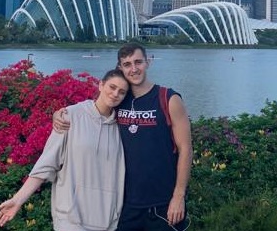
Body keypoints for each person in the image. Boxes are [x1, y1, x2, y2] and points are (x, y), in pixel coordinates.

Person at [54, 43, 193, 231]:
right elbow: (90, 111)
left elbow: (185, 149)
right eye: (127, 64)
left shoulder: (168, 98)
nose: (133, 69)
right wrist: (61, 113)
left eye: (138, 62)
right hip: (125, 205)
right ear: (120, 68)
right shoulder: (118, 100)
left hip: (163, 204)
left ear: (148, 62)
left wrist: (179, 196)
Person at [0, 68, 129, 230]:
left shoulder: (121, 127)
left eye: (121, 92)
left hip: (106, 221)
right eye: (112, 87)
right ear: (101, 85)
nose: (115, 94)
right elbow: (47, 163)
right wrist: (18, 199)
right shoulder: (70, 116)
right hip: (70, 219)